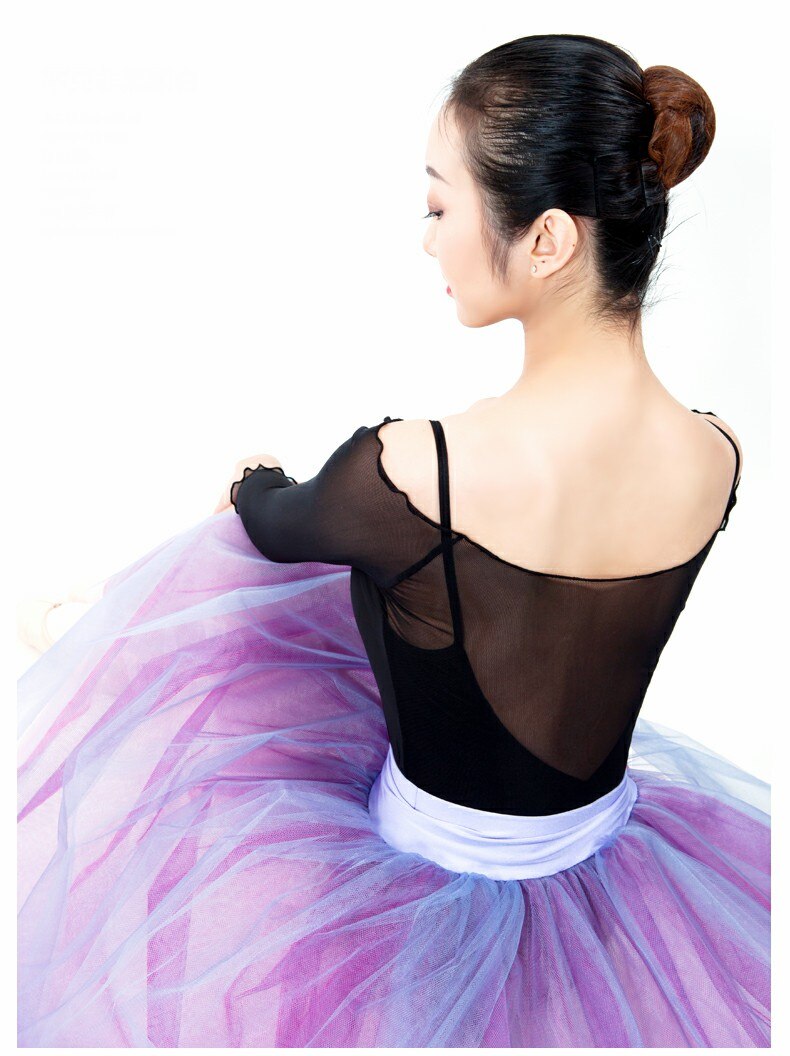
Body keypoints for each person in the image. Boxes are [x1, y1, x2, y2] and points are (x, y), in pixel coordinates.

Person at [17, 32, 769, 1048]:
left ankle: (84, 632)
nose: (428, 241)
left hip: (409, 904)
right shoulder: (715, 453)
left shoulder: (415, 468)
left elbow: (270, 524)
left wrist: (250, 476)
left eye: (440, 207)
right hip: (613, 880)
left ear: (547, 240)